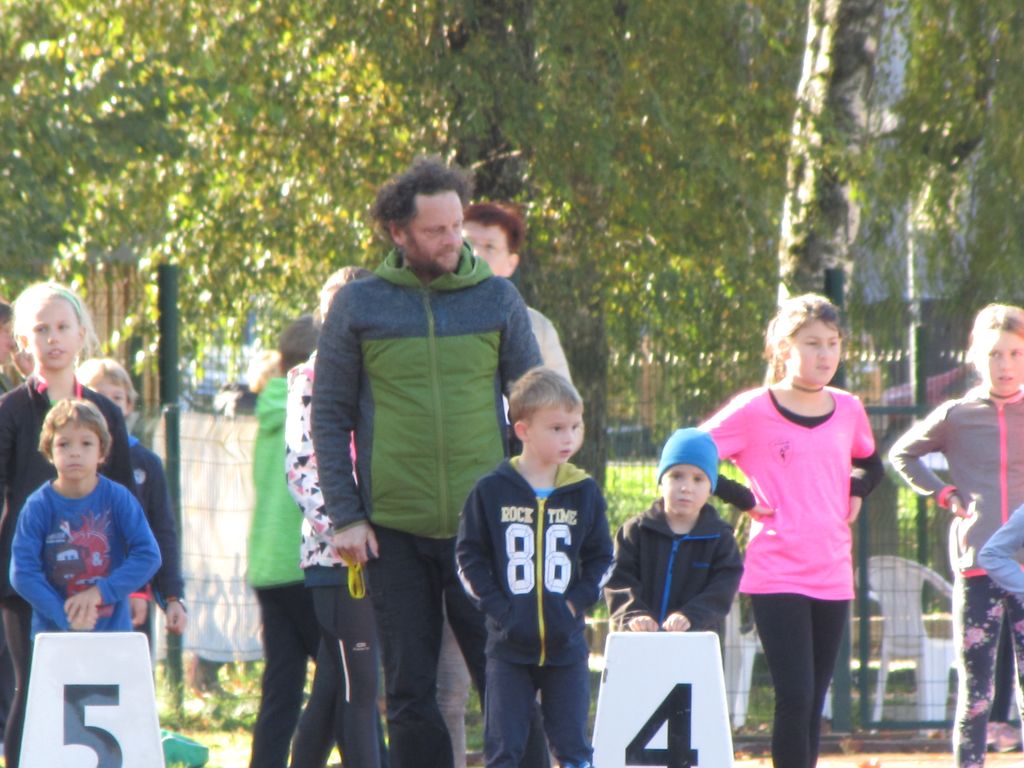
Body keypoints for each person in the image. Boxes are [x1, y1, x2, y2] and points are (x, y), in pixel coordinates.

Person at [311, 156, 543, 768]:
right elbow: (328, 418)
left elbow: (537, 408)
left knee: (507, 681)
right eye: (436, 230)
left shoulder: (498, 298)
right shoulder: (358, 306)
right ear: (398, 232)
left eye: (456, 225)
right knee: (410, 694)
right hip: (392, 534)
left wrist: (532, 502)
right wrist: (346, 517)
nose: (453, 239)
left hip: (484, 530)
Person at [700, 293, 882, 768]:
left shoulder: (848, 407)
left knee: (814, 701)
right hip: (776, 572)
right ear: (784, 348)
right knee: (795, 696)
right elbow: (685, 451)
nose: (825, 354)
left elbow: (870, 463)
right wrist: (742, 497)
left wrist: (857, 490)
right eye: (812, 343)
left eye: (833, 343)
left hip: (832, 572)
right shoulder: (753, 408)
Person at [0, 282, 137, 768]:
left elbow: (126, 505)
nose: (52, 338)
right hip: (27, 582)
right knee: (32, 683)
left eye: (62, 327)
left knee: (91, 685)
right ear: (23, 340)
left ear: (82, 334)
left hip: (95, 582)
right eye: (41, 329)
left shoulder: (106, 412)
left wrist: (135, 588)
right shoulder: (11, 410)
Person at [455, 367, 613, 768]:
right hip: (508, 650)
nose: (569, 438)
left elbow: (603, 558)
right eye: (556, 428)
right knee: (504, 750)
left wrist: (575, 604)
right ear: (522, 430)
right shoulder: (490, 490)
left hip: (567, 648)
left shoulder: (584, 491)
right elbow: (468, 558)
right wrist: (501, 611)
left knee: (574, 749)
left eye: (575, 426)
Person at [892, 303, 1024, 767]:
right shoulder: (956, 415)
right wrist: (945, 494)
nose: (1004, 365)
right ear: (975, 357)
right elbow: (903, 455)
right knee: (976, 695)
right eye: (994, 354)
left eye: (1014, 353)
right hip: (978, 569)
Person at [285, 266, 386, 768]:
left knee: (331, 691)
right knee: (360, 688)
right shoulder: (310, 378)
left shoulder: (384, 373)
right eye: (333, 313)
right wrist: (346, 532)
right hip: (339, 558)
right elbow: (302, 469)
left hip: (385, 551)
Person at [10, 398, 161, 635]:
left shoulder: (118, 499)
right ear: (49, 451)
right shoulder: (37, 506)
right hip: (54, 636)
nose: (75, 453)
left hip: (113, 635)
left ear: (102, 451)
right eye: (64, 444)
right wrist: (65, 616)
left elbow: (148, 556)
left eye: (86, 443)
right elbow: (22, 573)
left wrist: (100, 592)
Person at [247, 316, 322, 768]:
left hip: (268, 565)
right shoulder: (313, 406)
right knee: (343, 679)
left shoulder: (269, 407)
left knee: (281, 688)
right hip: (306, 562)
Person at [76, 357, 188, 639]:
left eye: (117, 398)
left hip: (130, 593)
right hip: (74, 592)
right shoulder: (69, 460)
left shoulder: (146, 463)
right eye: (99, 397)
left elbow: (161, 531)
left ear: (128, 405)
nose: (108, 405)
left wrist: (170, 595)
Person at [604, 428, 742, 633]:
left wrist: (691, 616)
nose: (686, 487)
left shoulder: (721, 538)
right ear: (661, 480)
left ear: (711, 488)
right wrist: (635, 614)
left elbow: (722, 589)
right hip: (639, 640)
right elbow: (618, 580)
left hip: (695, 642)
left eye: (698, 479)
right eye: (676, 476)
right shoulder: (635, 531)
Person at [463, 203, 572, 384]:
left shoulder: (538, 328)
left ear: (511, 264)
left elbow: (563, 398)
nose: (476, 254)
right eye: (468, 243)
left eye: (490, 247)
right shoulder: (430, 317)